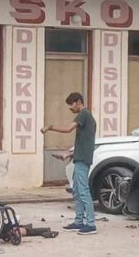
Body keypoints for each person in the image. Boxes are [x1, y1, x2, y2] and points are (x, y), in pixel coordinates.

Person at [41, 92, 97, 234]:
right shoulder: (86, 117)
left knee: (83, 191)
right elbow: (85, 143)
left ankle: (90, 224)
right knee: (77, 191)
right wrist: (69, 154)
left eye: (71, 106)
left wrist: (50, 127)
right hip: (79, 158)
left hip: (82, 160)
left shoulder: (83, 115)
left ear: (78, 102)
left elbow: (67, 129)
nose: (70, 109)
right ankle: (79, 221)